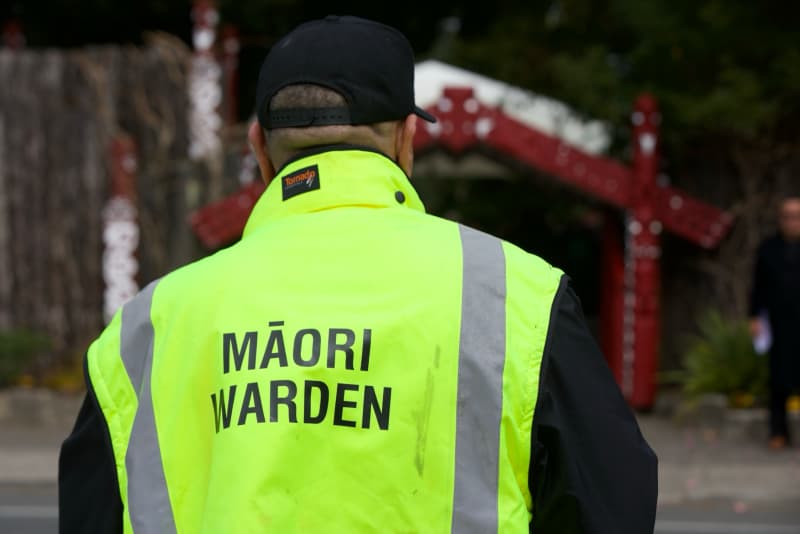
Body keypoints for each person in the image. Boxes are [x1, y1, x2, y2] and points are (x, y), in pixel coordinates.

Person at [59, 15, 657, 533]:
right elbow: (610, 502)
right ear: (407, 138)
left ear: (259, 149)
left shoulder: (148, 328)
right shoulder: (517, 297)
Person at [750, 194, 800, 450]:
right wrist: (755, 316)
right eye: (788, 217)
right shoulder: (768, 249)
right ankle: (778, 432)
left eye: (797, 217)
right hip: (779, 324)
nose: (792, 222)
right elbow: (758, 288)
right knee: (779, 378)